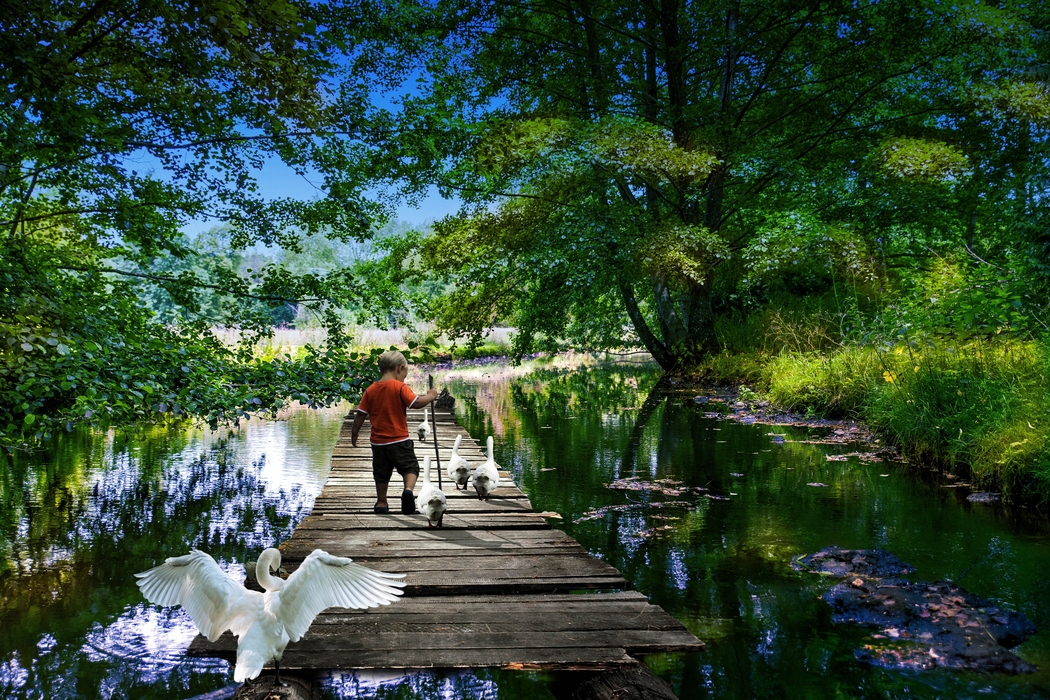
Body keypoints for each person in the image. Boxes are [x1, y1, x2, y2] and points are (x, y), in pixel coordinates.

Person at [351, 350, 438, 514]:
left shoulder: (370, 390)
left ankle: (382, 503)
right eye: (405, 373)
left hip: (378, 443)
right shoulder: (399, 387)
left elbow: (361, 414)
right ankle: (408, 491)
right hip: (399, 440)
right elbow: (416, 403)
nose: (404, 377)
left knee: (381, 473)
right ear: (399, 368)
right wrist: (431, 396)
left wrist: (354, 433)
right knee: (410, 467)